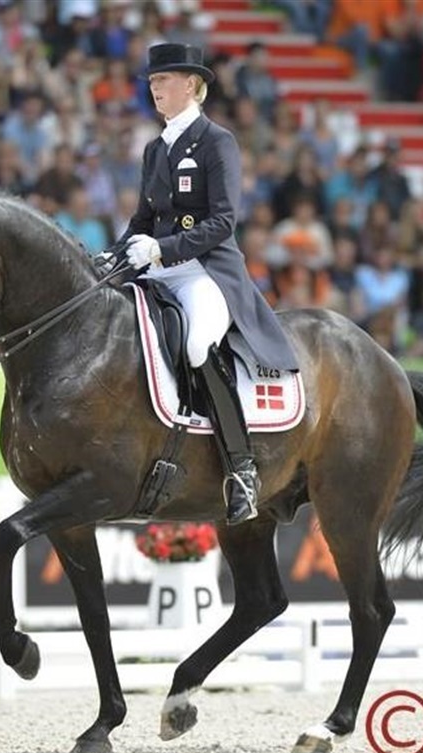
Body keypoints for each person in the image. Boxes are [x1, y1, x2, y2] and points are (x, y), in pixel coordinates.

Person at [119, 43, 299, 525]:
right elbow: (142, 219)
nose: (155, 88)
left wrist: (162, 248)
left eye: (163, 80)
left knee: (198, 344)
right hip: (157, 268)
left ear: (191, 85)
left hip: (203, 270)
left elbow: (223, 221)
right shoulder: (155, 148)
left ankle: (242, 469)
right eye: (152, 82)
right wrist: (115, 255)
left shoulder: (217, 142)